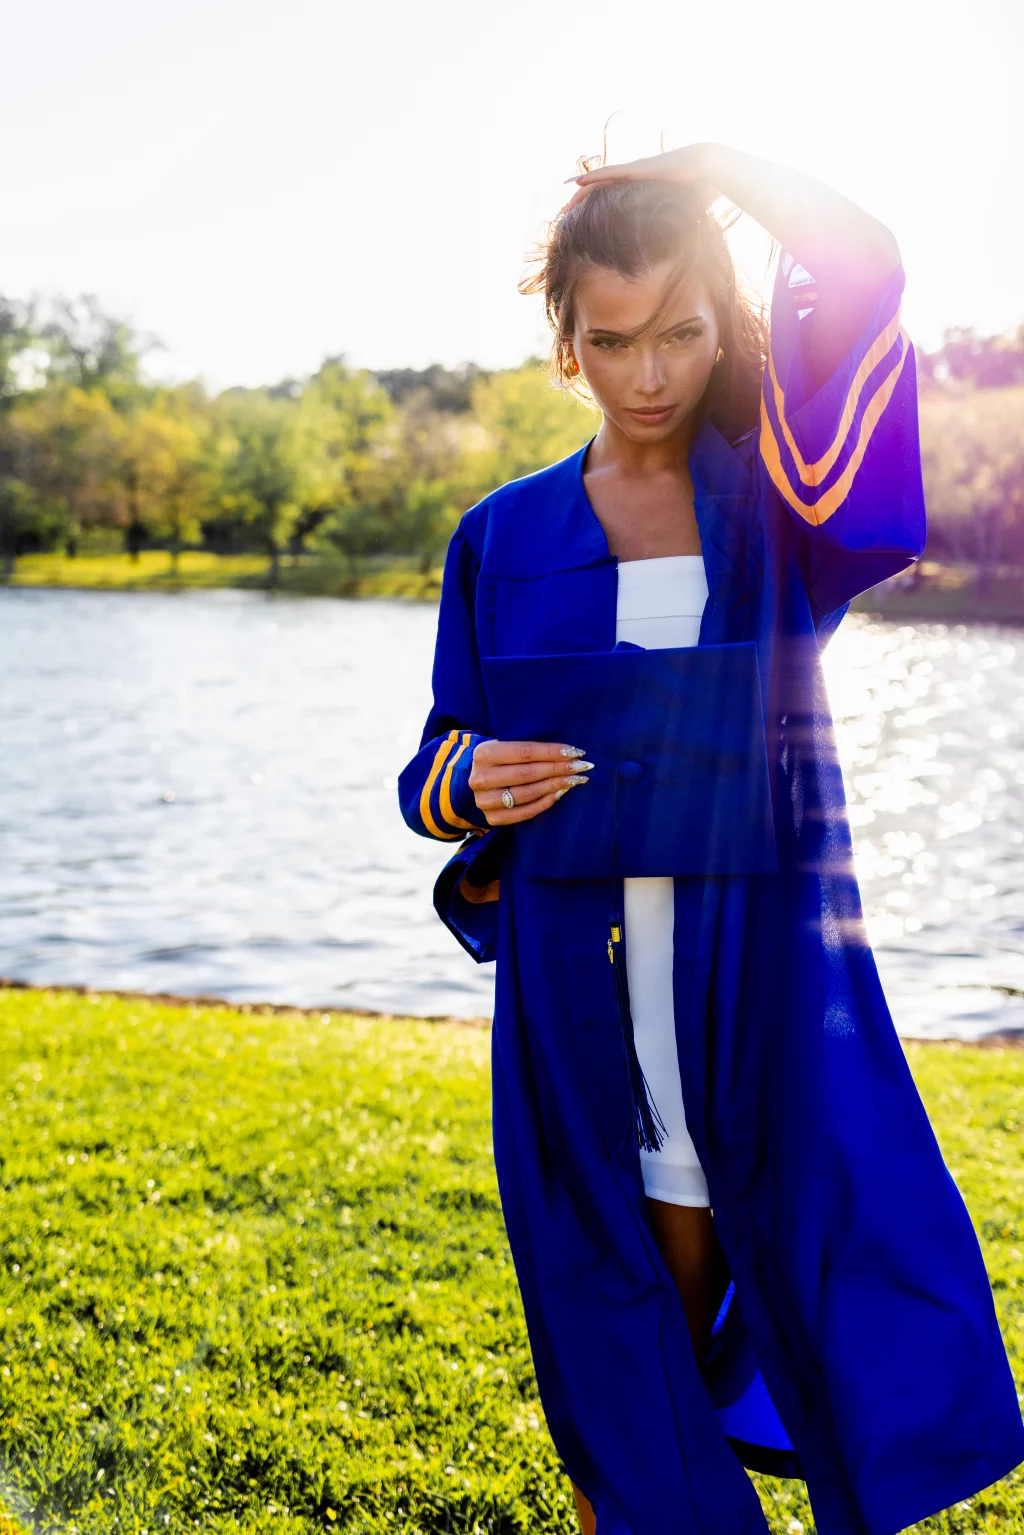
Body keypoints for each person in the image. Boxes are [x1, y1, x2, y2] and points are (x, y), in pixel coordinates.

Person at [397, 142, 1024, 1535]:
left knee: (748, 1299)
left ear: (724, 325)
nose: (651, 373)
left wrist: (727, 163)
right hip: (574, 999)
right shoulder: (502, 539)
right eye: (611, 340)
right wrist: (472, 775)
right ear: (565, 346)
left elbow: (863, 266)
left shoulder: (781, 515)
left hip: (747, 994)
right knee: (601, 1330)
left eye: (682, 331)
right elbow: (428, 766)